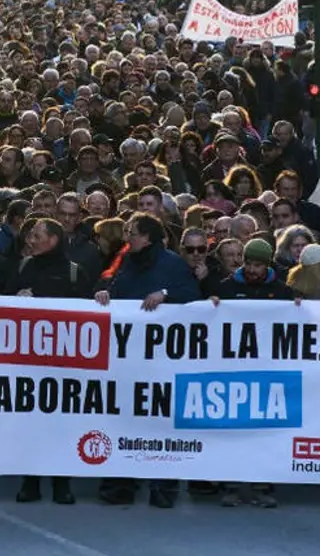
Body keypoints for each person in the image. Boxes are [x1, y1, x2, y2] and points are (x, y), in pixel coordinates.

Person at [94, 213, 200, 508]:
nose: (128, 236)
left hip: (161, 362)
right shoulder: (124, 260)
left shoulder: (172, 263)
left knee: (160, 426)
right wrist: (102, 292)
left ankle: (163, 488)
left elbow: (192, 294)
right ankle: (119, 485)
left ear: (148, 238)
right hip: (126, 360)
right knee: (123, 421)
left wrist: (165, 294)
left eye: (134, 232)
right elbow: (106, 282)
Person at [10, 218, 90, 505]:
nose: (30, 239)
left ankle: (61, 483)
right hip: (29, 364)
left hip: (63, 367)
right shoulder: (22, 268)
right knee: (30, 425)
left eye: (36, 235)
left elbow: (87, 318)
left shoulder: (73, 273)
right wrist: (15, 299)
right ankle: (30, 481)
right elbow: (3, 310)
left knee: (62, 426)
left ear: (52, 240)